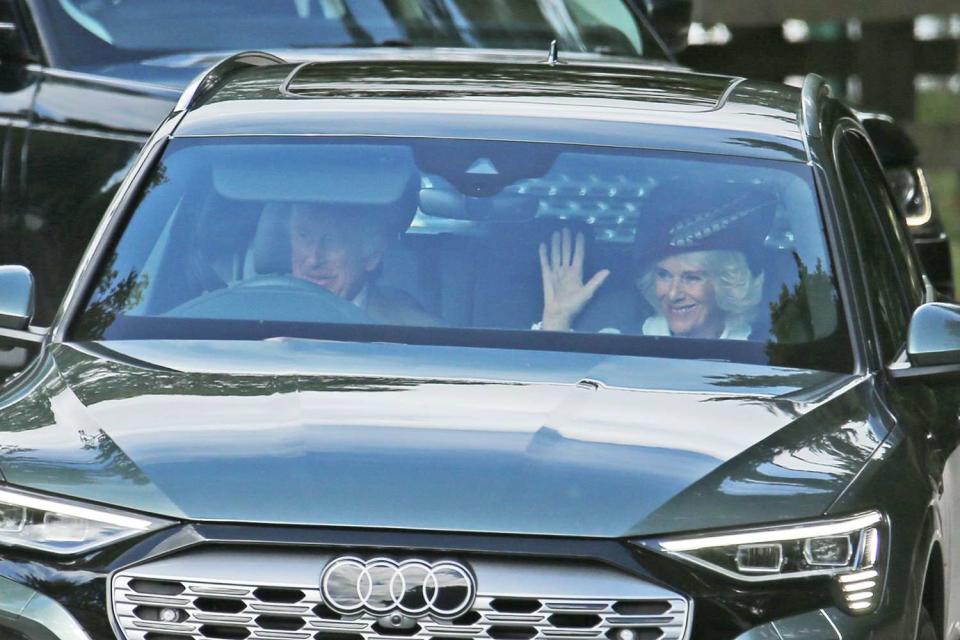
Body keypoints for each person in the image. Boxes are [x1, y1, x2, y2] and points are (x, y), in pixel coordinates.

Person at [536, 184, 772, 339]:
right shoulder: (619, 341)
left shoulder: (762, 352)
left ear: (726, 283)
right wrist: (557, 321)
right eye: (664, 275)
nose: (673, 294)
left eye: (691, 278)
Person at [288, 202, 439, 326]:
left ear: (372, 256)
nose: (313, 259)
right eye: (303, 235)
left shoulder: (418, 334)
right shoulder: (265, 314)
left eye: (333, 240)